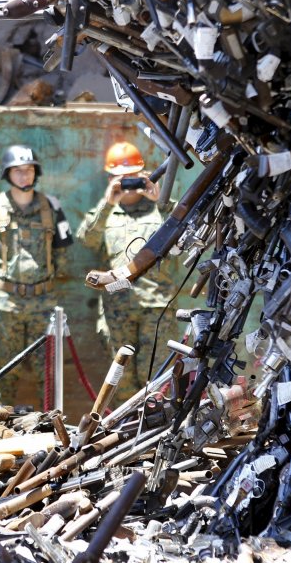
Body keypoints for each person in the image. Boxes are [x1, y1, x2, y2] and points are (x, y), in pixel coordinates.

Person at [77, 141, 182, 399]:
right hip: (117, 307)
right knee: (120, 381)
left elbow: (185, 235)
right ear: (111, 178)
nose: (128, 184)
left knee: (157, 381)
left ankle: (156, 434)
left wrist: (161, 201)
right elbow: (86, 239)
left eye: (133, 177)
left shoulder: (164, 211)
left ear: (143, 176)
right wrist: (107, 204)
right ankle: (124, 432)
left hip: (157, 309)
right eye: (121, 178)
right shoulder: (105, 213)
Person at [0, 145, 73, 404]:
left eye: (29, 170)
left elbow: (63, 250)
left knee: (49, 370)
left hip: (43, 304)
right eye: (17, 171)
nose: (24, 176)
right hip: (4, 304)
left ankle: (53, 429)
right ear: (7, 174)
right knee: (3, 371)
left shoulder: (51, 206)